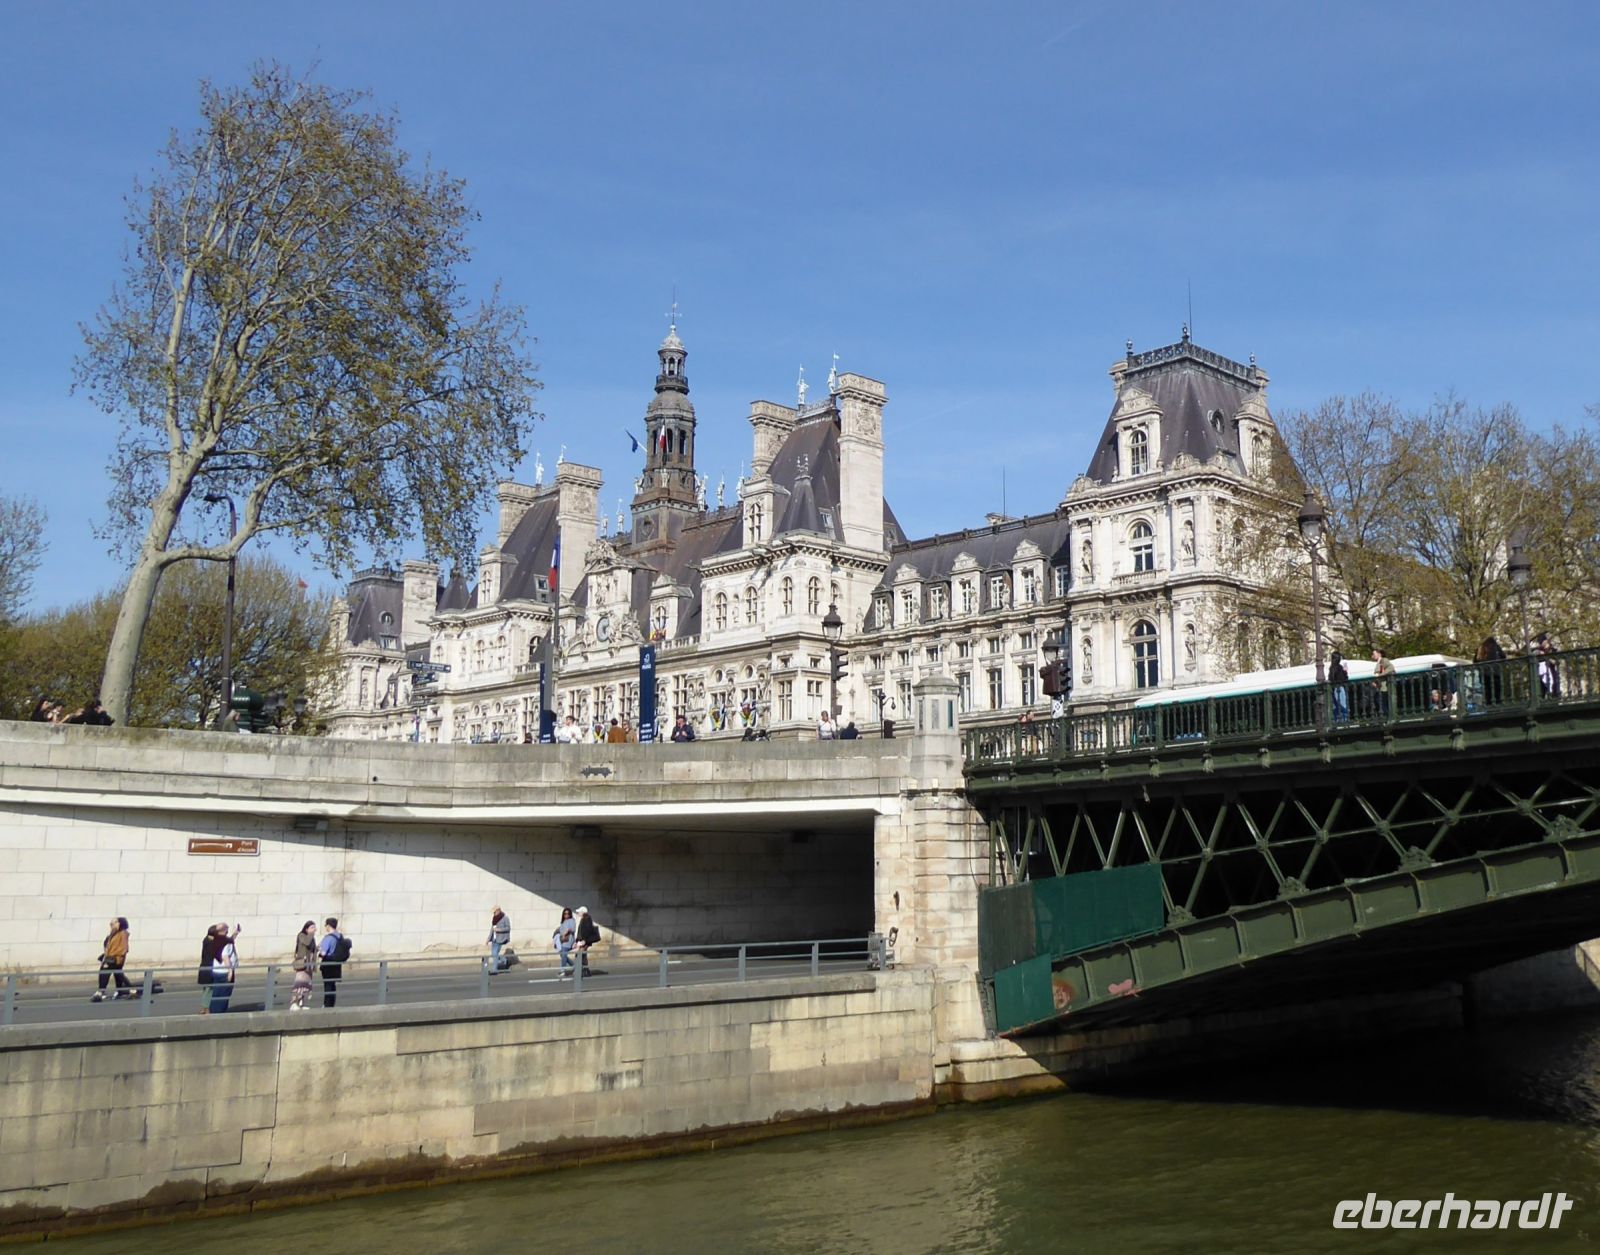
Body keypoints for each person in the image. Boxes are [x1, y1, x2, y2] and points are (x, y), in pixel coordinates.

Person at [92, 917, 133, 1002]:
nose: (111, 925)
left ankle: (101, 991)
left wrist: (111, 955)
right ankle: (128, 990)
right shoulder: (113, 933)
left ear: (119, 923)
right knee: (118, 974)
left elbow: (124, 948)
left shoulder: (123, 933)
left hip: (115, 959)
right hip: (110, 958)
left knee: (104, 972)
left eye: (113, 923)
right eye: (111, 923)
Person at [209, 923, 239, 1014]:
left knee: (216, 993)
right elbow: (225, 956)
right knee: (224, 994)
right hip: (224, 971)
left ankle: (213, 1011)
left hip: (216, 970)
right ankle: (219, 1014)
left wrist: (235, 934)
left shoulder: (215, 939)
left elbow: (228, 942)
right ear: (224, 930)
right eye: (227, 928)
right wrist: (230, 971)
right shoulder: (226, 942)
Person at [291, 920, 317, 1010]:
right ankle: (294, 1003)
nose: (314, 929)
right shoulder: (302, 935)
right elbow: (307, 942)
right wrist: (310, 934)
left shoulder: (312, 938)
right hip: (302, 963)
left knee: (306, 984)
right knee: (299, 983)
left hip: (309, 965)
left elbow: (313, 950)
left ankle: (301, 1003)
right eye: (312, 927)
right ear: (306, 929)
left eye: (314, 927)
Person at [319, 917, 345, 1007]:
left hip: (328, 964)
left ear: (329, 926)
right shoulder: (339, 936)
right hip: (336, 963)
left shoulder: (328, 938)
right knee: (333, 985)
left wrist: (319, 951)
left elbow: (323, 953)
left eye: (326, 925)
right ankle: (331, 1004)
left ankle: (327, 1004)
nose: (325, 927)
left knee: (328, 985)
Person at [197, 924, 220, 1014]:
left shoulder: (207, 939)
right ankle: (206, 1007)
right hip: (209, 968)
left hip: (205, 967)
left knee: (207, 989)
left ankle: (204, 1007)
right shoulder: (211, 942)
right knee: (209, 989)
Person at [1477, 636, 1506, 707]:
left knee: (1489, 693)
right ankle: (1496, 706)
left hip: (1487, 674)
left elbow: (1476, 661)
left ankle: (1490, 706)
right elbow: (1503, 657)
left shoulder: (1482, 649)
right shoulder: (1495, 649)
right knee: (1495, 692)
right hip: (1493, 673)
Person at [573, 905, 601, 974]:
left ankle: (583, 970)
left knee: (580, 955)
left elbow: (587, 931)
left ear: (583, 912)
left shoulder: (586, 919)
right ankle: (585, 970)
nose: (578, 913)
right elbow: (580, 932)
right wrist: (577, 941)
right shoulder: (583, 919)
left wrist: (584, 941)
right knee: (582, 956)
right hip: (582, 941)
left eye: (579, 912)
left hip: (584, 941)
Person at [552, 906, 577, 977]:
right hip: (562, 941)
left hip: (568, 940)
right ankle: (575, 967)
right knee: (563, 955)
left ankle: (563, 970)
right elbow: (560, 930)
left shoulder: (572, 920)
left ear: (570, 914)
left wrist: (568, 931)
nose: (566, 915)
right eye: (565, 913)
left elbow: (573, 929)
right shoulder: (563, 922)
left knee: (563, 955)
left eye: (568, 913)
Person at [1371, 647, 1394, 718]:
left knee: (1381, 701)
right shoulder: (1379, 662)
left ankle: (1388, 716)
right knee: (1379, 701)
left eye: (1374, 654)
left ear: (1379, 654)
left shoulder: (1384, 660)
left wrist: (1380, 675)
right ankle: (1386, 716)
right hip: (1381, 686)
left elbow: (1391, 668)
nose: (1372, 656)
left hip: (1385, 686)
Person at [487, 906, 512, 973]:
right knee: (494, 954)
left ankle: (495, 970)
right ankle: (504, 960)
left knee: (495, 954)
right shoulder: (494, 918)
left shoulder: (505, 918)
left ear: (498, 911)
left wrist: (499, 930)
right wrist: (488, 939)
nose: (494, 913)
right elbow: (492, 930)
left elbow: (508, 928)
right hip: (494, 939)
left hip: (501, 938)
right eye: (493, 912)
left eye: (495, 912)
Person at [1536, 633, 1561, 698]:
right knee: (1541, 691)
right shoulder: (1539, 651)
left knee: (1554, 689)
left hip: (1552, 672)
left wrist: (1545, 656)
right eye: (1540, 643)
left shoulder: (1553, 650)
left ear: (1546, 641)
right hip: (1542, 674)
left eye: (1542, 642)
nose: (1541, 644)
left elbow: (1556, 662)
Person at [1328, 650, 1349, 722]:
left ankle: (1336, 720)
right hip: (1339, 688)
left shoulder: (1331, 668)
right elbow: (1344, 679)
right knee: (1342, 704)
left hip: (1333, 689)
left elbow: (1330, 679)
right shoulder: (1340, 667)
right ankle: (1344, 720)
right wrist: (1345, 672)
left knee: (1335, 705)